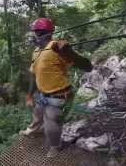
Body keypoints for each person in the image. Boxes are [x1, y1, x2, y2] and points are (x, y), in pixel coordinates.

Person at [19, 18, 93, 157]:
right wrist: (29, 94)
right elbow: (34, 74)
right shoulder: (36, 51)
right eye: (35, 32)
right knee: (37, 113)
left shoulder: (58, 48)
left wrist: (69, 52)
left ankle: (55, 147)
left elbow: (88, 67)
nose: (36, 35)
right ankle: (33, 130)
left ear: (48, 33)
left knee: (51, 125)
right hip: (43, 94)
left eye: (39, 32)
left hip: (58, 96)